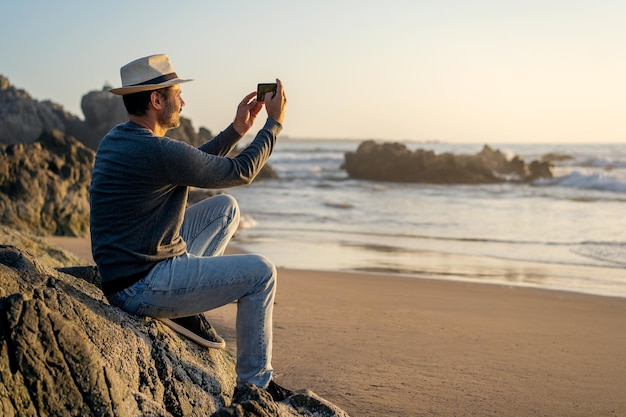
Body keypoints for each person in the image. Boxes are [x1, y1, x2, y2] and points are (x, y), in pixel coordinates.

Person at [89, 54, 289, 398]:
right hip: (139, 284)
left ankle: (184, 311)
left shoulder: (120, 138)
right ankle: (255, 387)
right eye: (177, 94)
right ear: (156, 100)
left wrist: (238, 130)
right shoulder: (155, 151)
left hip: (132, 266)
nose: (183, 101)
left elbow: (193, 165)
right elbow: (240, 171)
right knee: (261, 273)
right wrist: (273, 124)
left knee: (224, 208)